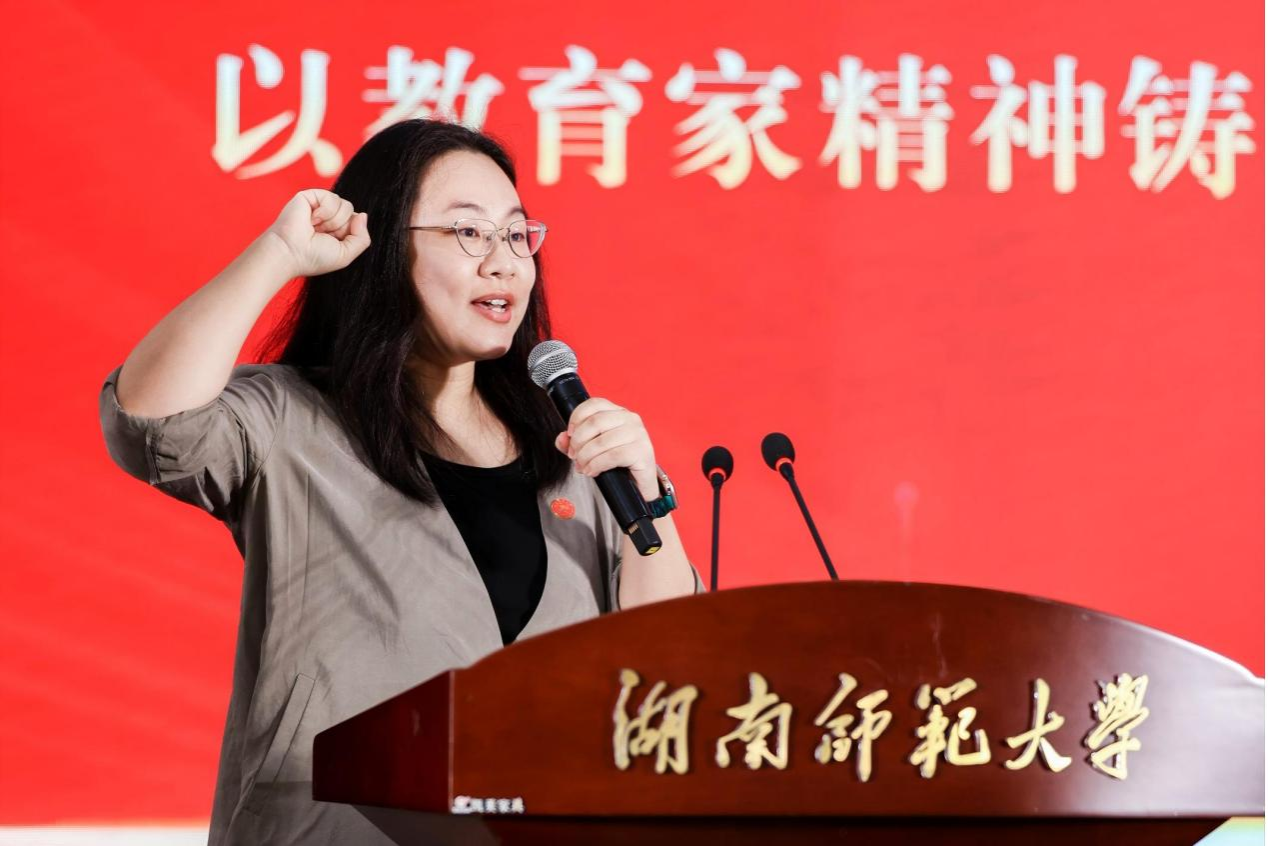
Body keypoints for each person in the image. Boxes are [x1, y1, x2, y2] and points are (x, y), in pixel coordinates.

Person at [99, 118, 702, 845]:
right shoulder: (291, 419)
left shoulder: (569, 446)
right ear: (385, 249)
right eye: (469, 233)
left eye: (517, 235)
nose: (505, 263)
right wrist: (278, 254)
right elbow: (150, 422)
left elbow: (663, 657)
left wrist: (648, 498)